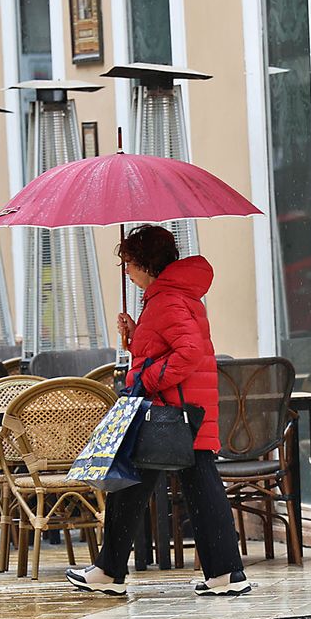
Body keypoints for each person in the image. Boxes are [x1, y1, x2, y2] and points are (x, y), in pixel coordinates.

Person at [66, 225, 251, 597]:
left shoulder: (167, 299)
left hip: (171, 412)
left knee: (131, 483)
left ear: (146, 263)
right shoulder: (170, 297)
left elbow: (188, 353)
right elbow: (169, 345)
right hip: (181, 412)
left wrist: (147, 378)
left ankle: (110, 570)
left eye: (129, 262)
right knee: (183, 486)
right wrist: (136, 337)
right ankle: (224, 575)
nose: (125, 271)